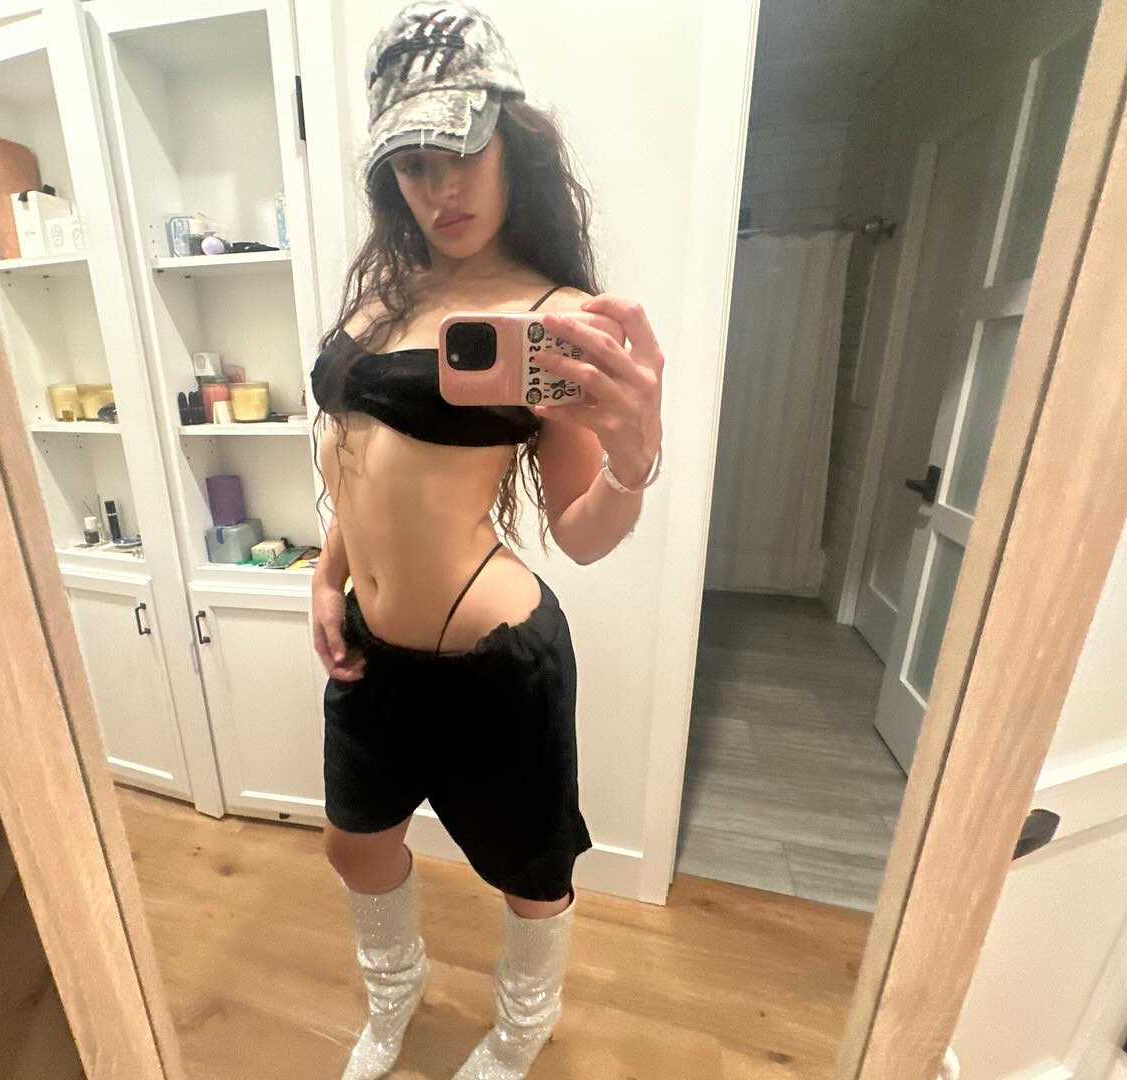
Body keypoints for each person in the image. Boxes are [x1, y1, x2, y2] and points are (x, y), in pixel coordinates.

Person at [310, 4, 664, 1078]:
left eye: (461, 151)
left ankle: (520, 1029)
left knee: (528, 871)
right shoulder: (386, 295)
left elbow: (580, 534)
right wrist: (326, 577)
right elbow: (354, 458)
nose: (441, 189)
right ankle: (396, 995)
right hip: (369, 646)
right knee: (354, 843)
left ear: (513, 141)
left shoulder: (554, 317)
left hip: (493, 663)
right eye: (413, 164)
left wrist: (635, 458)